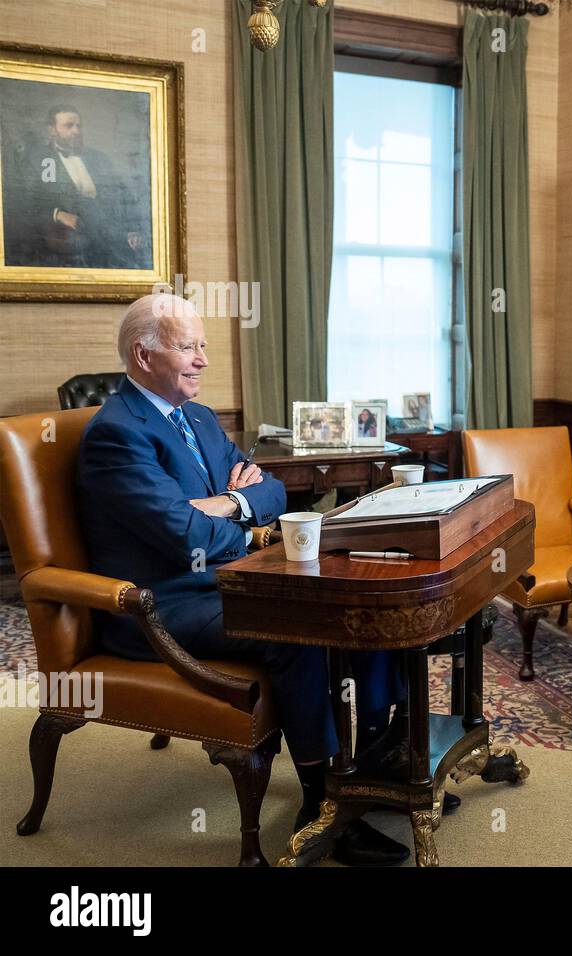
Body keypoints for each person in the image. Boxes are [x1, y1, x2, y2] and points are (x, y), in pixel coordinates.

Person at [77, 293, 419, 866]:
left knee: (358, 599)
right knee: (299, 629)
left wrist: (224, 502)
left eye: (202, 346)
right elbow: (186, 537)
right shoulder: (117, 434)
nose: (203, 360)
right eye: (189, 347)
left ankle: (378, 761)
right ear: (143, 355)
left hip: (226, 580)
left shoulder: (200, 418)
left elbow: (275, 492)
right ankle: (323, 807)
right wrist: (235, 511)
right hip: (162, 605)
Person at [4, 105, 148, 269]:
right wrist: (57, 214)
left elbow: (124, 197)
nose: (76, 131)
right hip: (73, 235)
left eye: (79, 126)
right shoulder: (40, 160)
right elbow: (25, 204)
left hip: (111, 229)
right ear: (52, 130)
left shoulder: (99, 158)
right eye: (68, 126)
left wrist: (132, 229)